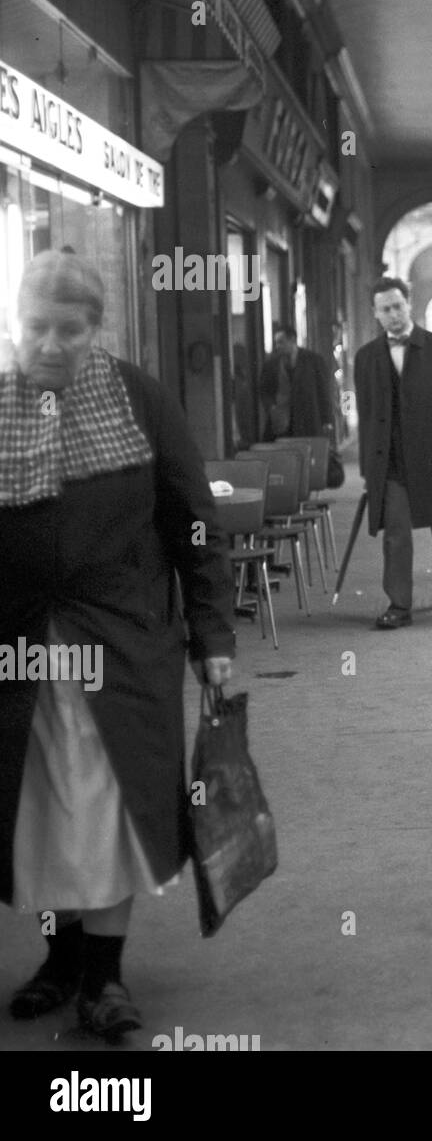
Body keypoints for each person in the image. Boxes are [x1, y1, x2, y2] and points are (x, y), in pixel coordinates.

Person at [0, 250, 236, 1039]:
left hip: (123, 650)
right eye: (37, 327)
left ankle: (103, 976)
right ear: (15, 323)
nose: (52, 343)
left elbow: (192, 522)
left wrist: (214, 638)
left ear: (97, 328)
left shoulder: (139, 398)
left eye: (71, 329)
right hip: (21, 657)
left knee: (109, 813)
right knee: (37, 814)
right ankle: (59, 959)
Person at [355, 276, 432, 627]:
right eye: (385, 309)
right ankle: (399, 605)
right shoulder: (366, 358)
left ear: (408, 304)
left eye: (397, 306)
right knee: (396, 531)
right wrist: (368, 470)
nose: (393, 314)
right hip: (390, 461)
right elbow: (366, 416)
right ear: (376, 314)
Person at [258, 323, 336, 441]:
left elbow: (323, 392)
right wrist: (272, 407)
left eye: (281, 342)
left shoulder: (313, 361)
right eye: (276, 342)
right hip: (281, 422)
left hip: (307, 421)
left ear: (292, 340)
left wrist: (327, 420)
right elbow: (264, 390)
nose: (278, 346)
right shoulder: (272, 364)